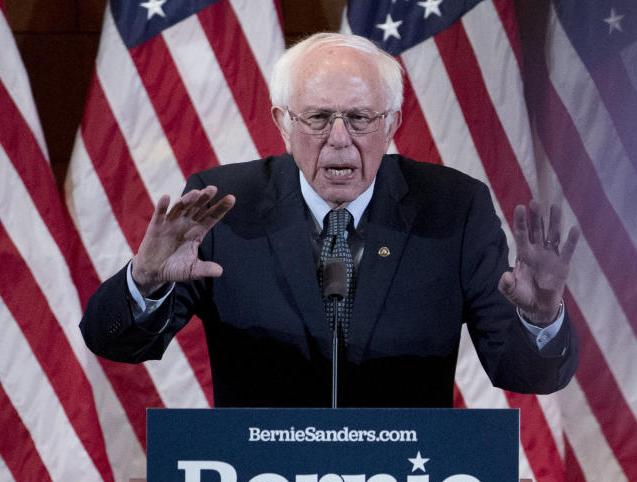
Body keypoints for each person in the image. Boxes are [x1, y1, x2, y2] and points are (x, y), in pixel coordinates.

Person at [80, 32, 580, 408]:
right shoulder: (226, 208)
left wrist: (539, 319)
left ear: (390, 124)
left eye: (359, 119)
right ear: (283, 123)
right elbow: (112, 342)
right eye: (318, 118)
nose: (339, 139)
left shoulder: (452, 209)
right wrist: (144, 282)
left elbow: (525, 374)